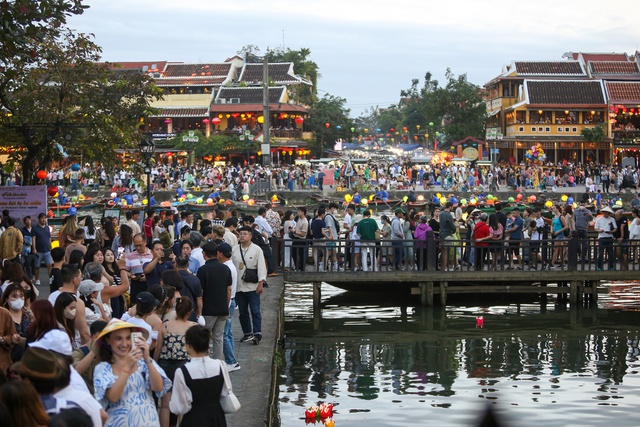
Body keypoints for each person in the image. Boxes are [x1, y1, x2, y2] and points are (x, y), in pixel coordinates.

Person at [92, 319, 171, 427]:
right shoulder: (103, 368)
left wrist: (147, 358)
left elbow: (158, 387)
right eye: (118, 338)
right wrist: (127, 367)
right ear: (108, 341)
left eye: (128, 338)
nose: (124, 344)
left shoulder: (143, 362)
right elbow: (113, 397)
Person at [170, 324, 230, 427]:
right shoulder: (221, 365)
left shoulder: (182, 371)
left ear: (189, 346)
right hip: (217, 417)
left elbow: (178, 407)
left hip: (193, 419)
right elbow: (226, 392)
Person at [154, 297, 196, 427]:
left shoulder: (165, 325)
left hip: (165, 365)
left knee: (165, 405)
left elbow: (158, 348)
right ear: (190, 312)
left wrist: (154, 364)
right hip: (184, 366)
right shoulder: (193, 327)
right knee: (183, 404)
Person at [232, 227, 267, 345]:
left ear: (250, 236)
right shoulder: (235, 249)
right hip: (239, 286)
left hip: (252, 285)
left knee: (255, 310)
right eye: (240, 234)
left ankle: (257, 333)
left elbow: (261, 267)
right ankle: (247, 333)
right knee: (242, 311)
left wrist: (261, 283)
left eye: (244, 234)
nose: (242, 236)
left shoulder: (257, 250)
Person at [197, 243, 231, 359]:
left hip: (208, 309)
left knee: (204, 337)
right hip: (222, 308)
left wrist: (199, 311)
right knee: (218, 338)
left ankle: (204, 359)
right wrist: (226, 306)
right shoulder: (225, 268)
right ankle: (217, 362)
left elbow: (200, 294)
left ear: (204, 254)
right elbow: (228, 290)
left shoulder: (202, 270)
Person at [217, 242, 240, 372]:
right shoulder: (229, 266)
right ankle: (231, 360)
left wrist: (225, 307)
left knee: (224, 334)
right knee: (228, 332)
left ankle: (231, 361)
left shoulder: (226, 268)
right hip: (231, 301)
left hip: (228, 301)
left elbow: (228, 290)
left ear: (220, 253)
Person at [2, 283, 31, 362]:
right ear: (7, 299)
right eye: (14, 296)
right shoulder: (3, 316)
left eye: (21, 296)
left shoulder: (29, 316)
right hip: (8, 360)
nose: (19, 299)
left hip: (28, 360)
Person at [125, 233, 154, 301]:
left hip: (150, 286)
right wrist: (130, 275)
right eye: (135, 246)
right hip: (136, 286)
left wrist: (148, 277)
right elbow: (125, 271)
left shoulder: (152, 254)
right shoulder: (130, 256)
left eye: (140, 245)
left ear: (145, 242)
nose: (138, 248)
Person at [33, 213, 54, 286]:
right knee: (37, 266)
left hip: (47, 250)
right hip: (38, 251)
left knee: (50, 265)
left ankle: (50, 278)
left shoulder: (47, 228)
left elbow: (49, 237)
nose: (44, 219)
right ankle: (37, 279)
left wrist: (50, 245)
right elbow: (34, 238)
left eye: (45, 218)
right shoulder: (35, 228)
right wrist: (34, 248)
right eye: (42, 218)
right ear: (39, 219)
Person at [595, 206, 617, 271]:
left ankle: (611, 266)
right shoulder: (599, 219)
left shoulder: (612, 219)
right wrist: (599, 231)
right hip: (602, 237)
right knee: (601, 253)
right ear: (603, 213)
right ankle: (599, 266)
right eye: (605, 213)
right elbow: (595, 228)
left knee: (610, 253)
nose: (606, 214)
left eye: (608, 213)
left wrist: (611, 232)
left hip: (610, 237)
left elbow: (615, 228)